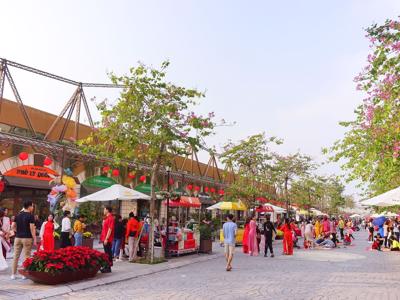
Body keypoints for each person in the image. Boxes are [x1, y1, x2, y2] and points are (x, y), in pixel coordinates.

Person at [11, 200, 36, 280]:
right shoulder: (30, 216)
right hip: (27, 238)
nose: (33, 207)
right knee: (26, 256)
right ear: (29, 207)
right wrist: (34, 238)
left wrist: (16, 231)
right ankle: (24, 274)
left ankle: (13, 274)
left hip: (17, 238)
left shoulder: (18, 215)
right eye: (32, 206)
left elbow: (13, 226)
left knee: (15, 256)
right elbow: (32, 229)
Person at [100, 206, 114, 273]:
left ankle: (108, 267)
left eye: (104, 209)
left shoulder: (110, 218)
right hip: (104, 237)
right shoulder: (107, 218)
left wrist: (106, 239)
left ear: (107, 210)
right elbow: (105, 228)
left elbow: (110, 229)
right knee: (107, 252)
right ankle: (107, 266)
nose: (103, 210)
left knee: (108, 253)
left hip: (107, 238)